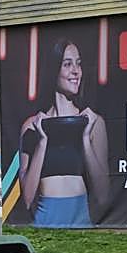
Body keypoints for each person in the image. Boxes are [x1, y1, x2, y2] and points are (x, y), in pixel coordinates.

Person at [19, 38, 110, 228]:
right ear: (54, 70)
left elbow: (103, 195)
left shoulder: (94, 122)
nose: (75, 71)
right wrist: (42, 142)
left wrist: (85, 139)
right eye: (67, 64)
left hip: (81, 223)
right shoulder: (32, 125)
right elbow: (27, 199)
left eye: (79, 64)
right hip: (44, 223)